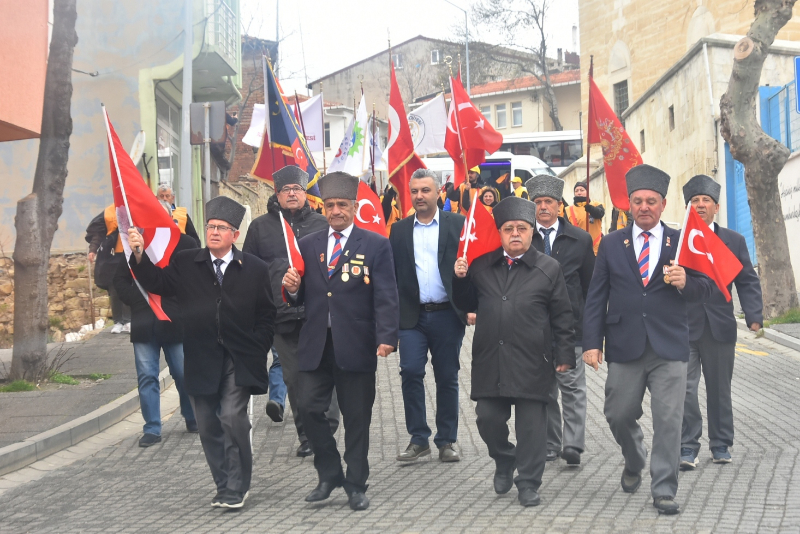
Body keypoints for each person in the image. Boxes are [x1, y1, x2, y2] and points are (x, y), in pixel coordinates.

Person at [128, 196, 276, 510]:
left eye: (222, 228)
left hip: (239, 356)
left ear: (235, 235)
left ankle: (238, 485)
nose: (214, 232)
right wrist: (138, 253)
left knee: (232, 417)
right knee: (207, 423)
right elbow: (158, 282)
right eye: (210, 227)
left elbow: (266, 314)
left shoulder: (254, 268)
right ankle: (223, 485)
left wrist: (258, 346)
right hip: (200, 355)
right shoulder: (187, 261)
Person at [582, 164, 713, 515]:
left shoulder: (682, 241)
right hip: (624, 345)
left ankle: (664, 488)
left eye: (650, 201)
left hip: (670, 347)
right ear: (629, 205)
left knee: (670, 420)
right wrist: (592, 342)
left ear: (663, 204)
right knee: (618, 414)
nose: (644, 207)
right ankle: (633, 456)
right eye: (637, 201)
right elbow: (596, 296)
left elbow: (704, 288)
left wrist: (686, 280)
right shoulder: (611, 244)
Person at [282, 171, 399, 511]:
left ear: (354, 207)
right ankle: (329, 472)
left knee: (357, 416)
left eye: (342, 205)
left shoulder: (376, 244)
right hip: (316, 344)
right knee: (308, 408)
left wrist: (387, 336)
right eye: (330, 205)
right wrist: (291, 288)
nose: (335, 211)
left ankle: (356, 483)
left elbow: (387, 294)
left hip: (357, 343)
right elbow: (299, 294)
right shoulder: (309, 245)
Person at [452, 196, 575, 507]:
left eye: (522, 227)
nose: (516, 233)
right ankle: (505, 458)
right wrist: (460, 277)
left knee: (533, 428)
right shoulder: (482, 266)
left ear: (532, 231)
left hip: (535, 361)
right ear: (500, 232)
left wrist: (564, 356)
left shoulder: (549, 268)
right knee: (486, 418)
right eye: (509, 228)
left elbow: (562, 314)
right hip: (491, 358)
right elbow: (466, 303)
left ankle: (529, 483)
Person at [242, 165, 340, 458]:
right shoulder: (260, 227)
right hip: (280, 315)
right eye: (286, 190)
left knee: (327, 372)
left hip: (319, 314)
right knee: (295, 379)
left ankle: (328, 427)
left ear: (305, 193)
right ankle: (307, 434)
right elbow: (248, 271)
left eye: (297, 189)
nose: (292, 194)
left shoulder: (322, 224)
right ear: (278, 194)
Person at [679, 174, 763, 469]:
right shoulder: (678, 241)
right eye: (694, 201)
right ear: (688, 207)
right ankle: (687, 446)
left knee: (719, 389)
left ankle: (721, 444)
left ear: (716, 207)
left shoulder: (733, 240)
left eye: (705, 201)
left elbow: (748, 281)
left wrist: (754, 315)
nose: (700, 205)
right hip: (685, 327)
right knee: (684, 390)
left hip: (719, 326)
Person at [389, 168, 467, 464]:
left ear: (438, 193)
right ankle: (418, 438)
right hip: (412, 317)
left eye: (425, 190)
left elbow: (471, 265)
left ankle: (447, 440)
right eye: (415, 191)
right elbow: (393, 274)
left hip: (448, 314)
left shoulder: (457, 224)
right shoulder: (399, 230)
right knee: (410, 371)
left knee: (447, 376)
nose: (419, 196)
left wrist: (470, 301)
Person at [113, 199, 198, 447]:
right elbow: (119, 281)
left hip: (175, 319)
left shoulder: (186, 244)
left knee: (183, 374)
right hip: (143, 322)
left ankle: (192, 416)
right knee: (147, 376)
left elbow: (192, 282)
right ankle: (152, 427)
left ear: (170, 216)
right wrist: (138, 301)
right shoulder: (135, 244)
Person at [527, 175, 595, 466]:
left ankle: (574, 444)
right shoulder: (522, 238)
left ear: (559, 205)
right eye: (538, 202)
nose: (543, 207)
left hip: (571, 328)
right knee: (544, 390)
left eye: (548, 202)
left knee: (572, 387)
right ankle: (552, 443)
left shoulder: (580, 240)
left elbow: (591, 287)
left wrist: (593, 333)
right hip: (534, 330)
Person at [85, 204, 131, 334]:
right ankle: (118, 321)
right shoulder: (109, 212)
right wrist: (93, 250)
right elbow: (98, 233)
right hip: (112, 256)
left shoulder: (136, 209)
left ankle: (128, 320)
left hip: (130, 253)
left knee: (128, 286)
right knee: (114, 289)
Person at [566, 181, 605, 254]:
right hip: (578, 249)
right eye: (576, 191)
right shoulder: (568, 210)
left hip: (597, 249)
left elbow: (599, 213)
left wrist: (590, 208)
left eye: (582, 190)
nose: (579, 193)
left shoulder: (597, 204)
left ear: (587, 192)